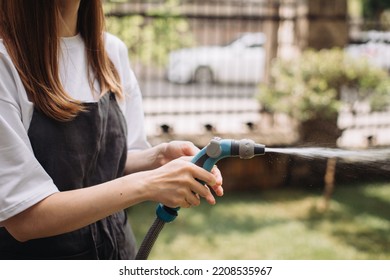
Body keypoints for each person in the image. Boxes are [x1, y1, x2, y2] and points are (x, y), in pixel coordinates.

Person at [0, 0, 223, 260]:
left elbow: (113, 161)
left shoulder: (110, 52)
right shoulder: (6, 62)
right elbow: (24, 218)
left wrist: (157, 158)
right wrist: (150, 183)